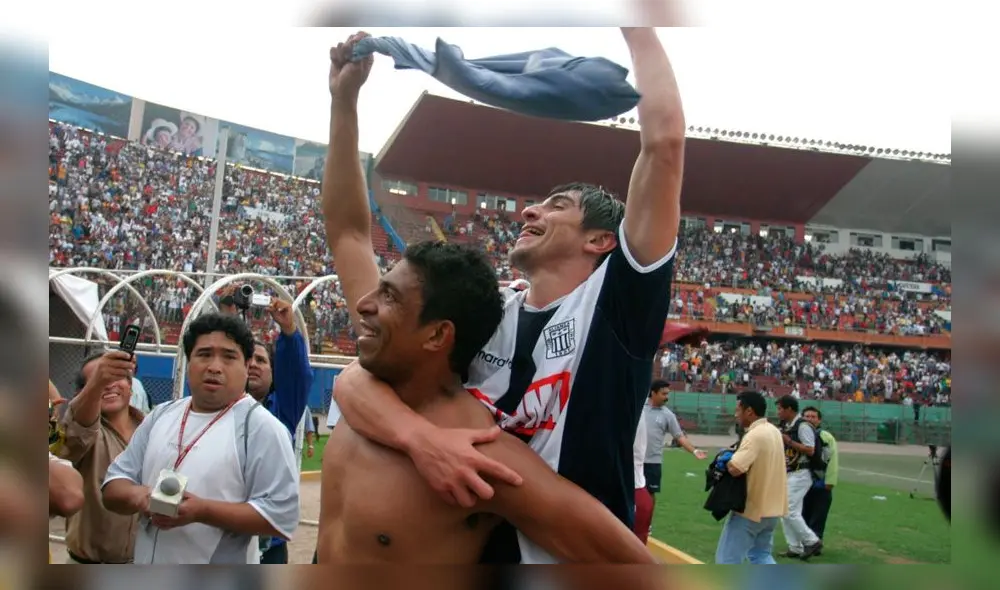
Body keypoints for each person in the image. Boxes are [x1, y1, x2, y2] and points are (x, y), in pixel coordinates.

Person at [326, 27, 684, 564]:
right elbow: (368, 349)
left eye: (556, 205)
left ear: (599, 240)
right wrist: (344, 103)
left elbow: (665, 146)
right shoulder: (489, 312)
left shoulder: (616, 306)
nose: (528, 211)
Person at [316, 240, 655, 564]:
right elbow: (349, 233)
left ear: (436, 335)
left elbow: (622, 561)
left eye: (389, 296)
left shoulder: (478, 453)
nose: (362, 304)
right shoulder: (365, 393)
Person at [101, 313, 300, 564]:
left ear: (247, 366)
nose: (214, 367)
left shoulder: (261, 428)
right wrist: (143, 497)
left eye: (229, 357)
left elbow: (282, 517)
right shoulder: (162, 415)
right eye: (204, 354)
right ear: (189, 361)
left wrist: (201, 511)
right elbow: (113, 485)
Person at [218, 291, 312, 564]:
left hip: (268, 541)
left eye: (262, 360)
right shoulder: (218, 407)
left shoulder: (282, 410)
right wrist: (227, 320)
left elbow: (298, 373)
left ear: (274, 373)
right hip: (220, 528)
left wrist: (289, 330)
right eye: (248, 361)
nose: (254, 366)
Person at [55, 351, 145, 564]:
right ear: (81, 392)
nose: (109, 384)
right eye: (98, 379)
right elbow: (75, 432)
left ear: (131, 386)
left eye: (117, 377)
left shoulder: (151, 429)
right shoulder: (83, 434)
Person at [715, 391, 787, 564]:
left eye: (738, 410)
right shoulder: (774, 431)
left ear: (749, 411)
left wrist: (725, 459)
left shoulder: (755, 435)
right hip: (772, 508)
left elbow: (735, 468)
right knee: (760, 555)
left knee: (727, 560)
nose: (736, 414)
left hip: (750, 509)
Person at [642, 380, 707, 526]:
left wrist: (694, 450)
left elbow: (679, 436)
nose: (667, 397)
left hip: (653, 462)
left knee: (649, 494)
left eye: (668, 394)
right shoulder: (639, 407)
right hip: (634, 460)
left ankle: (647, 524)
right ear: (653, 393)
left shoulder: (668, 415)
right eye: (664, 394)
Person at [775, 395, 823, 560]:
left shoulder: (802, 426)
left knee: (789, 511)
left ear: (789, 409)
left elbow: (810, 449)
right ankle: (795, 546)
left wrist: (789, 441)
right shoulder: (789, 425)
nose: (778, 412)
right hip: (791, 472)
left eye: (780, 408)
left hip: (801, 473)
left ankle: (812, 540)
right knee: (786, 510)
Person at [801, 406, 837, 548]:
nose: (810, 419)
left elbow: (833, 460)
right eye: (807, 416)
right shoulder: (798, 435)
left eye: (813, 417)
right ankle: (801, 544)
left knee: (818, 516)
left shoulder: (826, 437)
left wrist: (830, 481)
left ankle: (815, 544)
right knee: (802, 514)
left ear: (819, 420)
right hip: (802, 483)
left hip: (820, 483)